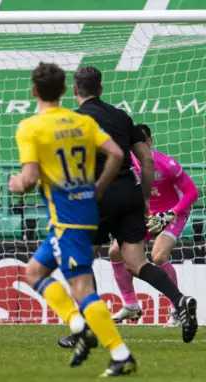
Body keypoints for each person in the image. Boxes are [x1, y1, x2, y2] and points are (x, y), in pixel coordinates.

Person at [10, 62, 136, 377]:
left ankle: (120, 353)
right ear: (66, 90)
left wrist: (18, 185)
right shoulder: (81, 122)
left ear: (34, 91)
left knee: (80, 286)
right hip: (82, 211)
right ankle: (79, 325)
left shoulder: (30, 127)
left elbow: (29, 178)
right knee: (35, 271)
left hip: (67, 219)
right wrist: (99, 187)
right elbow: (118, 154)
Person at [57, 66, 197, 348]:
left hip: (96, 194)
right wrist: (144, 198)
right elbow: (145, 160)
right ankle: (180, 301)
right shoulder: (122, 116)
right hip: (128, 193)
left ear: (75, 90)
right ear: (102, 89)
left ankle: (88, 330)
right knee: (136, 262)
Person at [110, 124, 199, 326]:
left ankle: (178, 310)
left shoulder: (167, 164)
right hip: (147, 215)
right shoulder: (127, 162)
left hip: (174, 213)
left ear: (149, 142)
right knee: (115, 251)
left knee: (158, 256)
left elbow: (192, 193)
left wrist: (170, 214)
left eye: (140, 142)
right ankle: (131, 305)